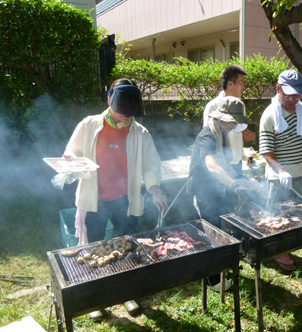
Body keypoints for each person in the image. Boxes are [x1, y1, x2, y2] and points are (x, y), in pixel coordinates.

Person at [64, 78, 168, 317]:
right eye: (123, 113)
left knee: (127, 246)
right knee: (94, 249)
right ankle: (96, 300)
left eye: (131, 114)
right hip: (95, 197)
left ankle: (126, 295)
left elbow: (152, 164)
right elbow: (73, 150)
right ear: (109, 101)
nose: (126, 118)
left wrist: (154, 189)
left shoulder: (140, 132)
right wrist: (69, 157)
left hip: (125, 197)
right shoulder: (89, 125)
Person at [259, 70, 302, 272]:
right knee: (279, 214)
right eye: (288, 94)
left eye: (296, 95)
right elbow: (267, 152)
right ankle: (280, 250)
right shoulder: (270, 116)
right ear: (278, 90)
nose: (292, 99)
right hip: (279, 177)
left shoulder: (301, 109)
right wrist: (281, 172)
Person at [187, 96, 255, 291]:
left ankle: (223, 267)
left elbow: (223, 163)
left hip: (218, 189)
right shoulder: (206, 136)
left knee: (223, 229)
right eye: (234, 121)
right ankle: (212, 280)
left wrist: (241, 180)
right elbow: (212, 165)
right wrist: (234, 185)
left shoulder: (222, 133)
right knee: (211, 233)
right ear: (222, 118)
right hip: (203, 192)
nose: (235, 125)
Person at [203, 65, 256, 175]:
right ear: (230, 84)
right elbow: (208, 138)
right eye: (241, 82)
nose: (244, 86)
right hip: (220, 165)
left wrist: (250, 136)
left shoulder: (239, 105)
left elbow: (238, 130)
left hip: (237, 161)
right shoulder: (213, 106)